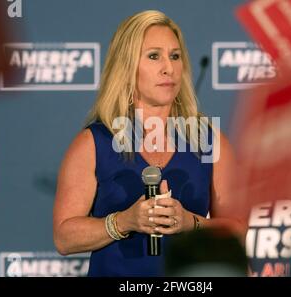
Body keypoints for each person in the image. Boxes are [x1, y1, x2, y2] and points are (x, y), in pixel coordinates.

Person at [53, 10, 239, 277]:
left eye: (175, 56)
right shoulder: (94, 142)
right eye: (154, 56)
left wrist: (191, 223)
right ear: (127, 67)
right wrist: (125, 221)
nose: (169, 67)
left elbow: (239, 230)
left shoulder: (209, 141)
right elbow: (64, 237)